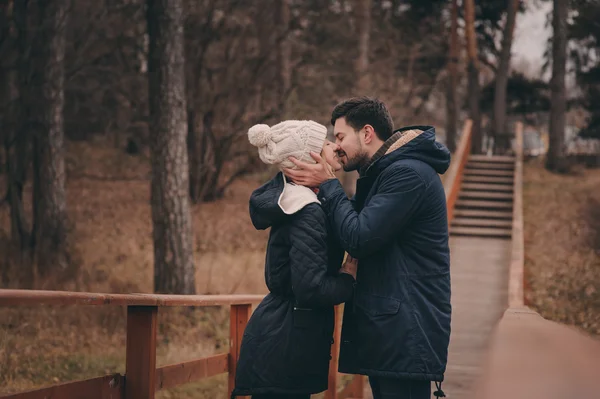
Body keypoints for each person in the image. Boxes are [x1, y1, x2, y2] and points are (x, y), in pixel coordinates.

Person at [284, 97, 452, 399]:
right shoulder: (382, 175)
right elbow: (353, 226)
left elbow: (359, 237)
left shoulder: (408, 175)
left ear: (366, 134)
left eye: (340, 137)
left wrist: (329, 184)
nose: (336, 147)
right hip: (392, 330)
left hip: (406, 332)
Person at [231, 120, 358, 399]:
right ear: (306, 160)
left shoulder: (305, 204)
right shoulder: (306, 211)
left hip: (286, 338)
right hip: (285, 345)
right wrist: (348, 279)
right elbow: (310, 288)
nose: (334, 147)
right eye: (325, 144)